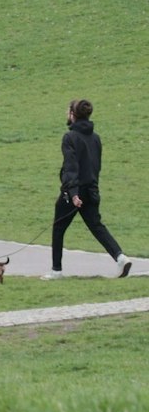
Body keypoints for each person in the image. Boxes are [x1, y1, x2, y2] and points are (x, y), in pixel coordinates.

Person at [45, 98, 133, 279]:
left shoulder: (69, 137)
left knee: (58, 227)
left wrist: (73, 193)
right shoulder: (96, 138)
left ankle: (56, 271)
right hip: (91, 189)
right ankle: (120, 257)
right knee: (96, 226)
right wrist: (92, 191)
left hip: (74, 191)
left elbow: (71, 167)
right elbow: (95, 167)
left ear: (73, 115)